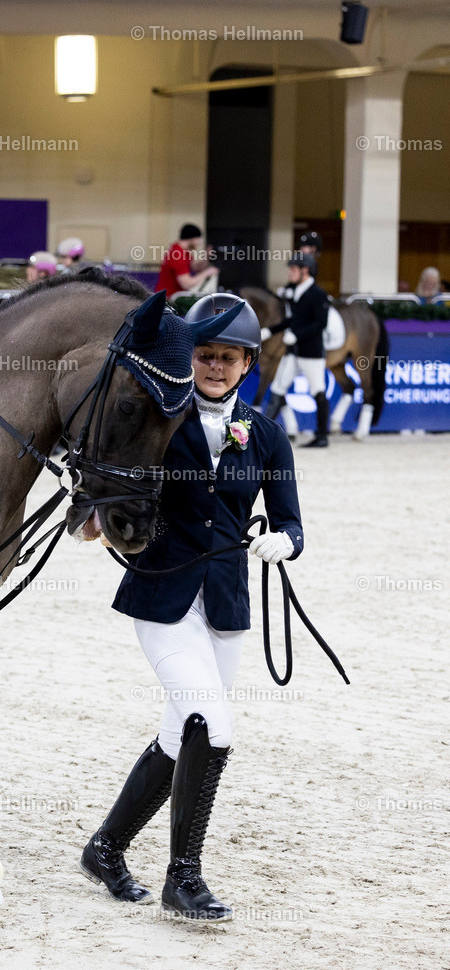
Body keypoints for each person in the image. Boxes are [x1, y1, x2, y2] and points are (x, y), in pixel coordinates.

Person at [81, 293, 303, 923]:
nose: (215, 366)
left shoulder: (266, 435)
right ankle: (184, 878)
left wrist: (284, 542)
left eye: (229, 358)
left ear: (247, 364)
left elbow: (292, 521)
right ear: (191, 358)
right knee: (213, 725)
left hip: (226, 601)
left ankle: (105, 848)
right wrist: (94, 514)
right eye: (206, 355)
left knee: (180, 734)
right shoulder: (162, 416)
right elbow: (112, 471)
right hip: (163, 595)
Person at [262, 252, 330, 448]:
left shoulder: (318, 294)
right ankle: (264, 435)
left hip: (311, 353)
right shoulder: (297, 292)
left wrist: (297, 335)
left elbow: (321, 323)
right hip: (293, 352)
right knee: (277, 388)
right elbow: (293, 320)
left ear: (304, 270)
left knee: (318, 391)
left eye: (293, 269)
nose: (289, 273)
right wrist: (270, 331)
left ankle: (322, 436)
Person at [155, 224, 218, 298]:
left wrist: (206, 256)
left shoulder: (182, 251)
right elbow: (186, 284)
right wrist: (207, 273)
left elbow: (196, 267)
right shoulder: (177, 254)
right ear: (192, 238)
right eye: (198, 239)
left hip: (173, 296)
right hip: (169, 298)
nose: (199, 242)